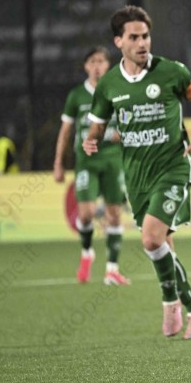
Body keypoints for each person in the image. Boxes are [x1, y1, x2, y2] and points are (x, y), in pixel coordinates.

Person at [83, 5, 191, 339]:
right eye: (134, 37)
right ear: (118, 41)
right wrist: (91, 140)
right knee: (162, 244)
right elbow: (97, 124)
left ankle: (172, 304)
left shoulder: (172, 71)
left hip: (172, 167)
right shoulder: (109, 84)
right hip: (137, 175)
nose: (142, 43)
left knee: (151, 239)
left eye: (146, 36)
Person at [53, 46, 130, 285]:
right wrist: (58, 162)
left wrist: (122, 133)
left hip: (113, 161)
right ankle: (87, 252)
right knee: (86, 214)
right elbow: (66, 131)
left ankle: (112, 269)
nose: (97, 66)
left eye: (101, 61)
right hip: (87, 161)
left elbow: (130, 122)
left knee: (114, 215)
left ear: (108, 65)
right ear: (86, 66)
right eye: (92, 61)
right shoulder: (77, 96)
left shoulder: (118, 91)